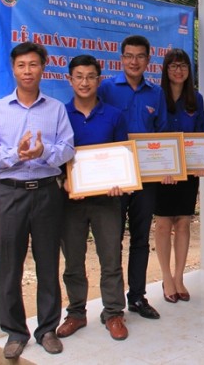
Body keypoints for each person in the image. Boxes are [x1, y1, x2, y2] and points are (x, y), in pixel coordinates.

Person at [0, 42, 75, 359]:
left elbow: (68, 148)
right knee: (10, 266)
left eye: (33, 64)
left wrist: (44, 151)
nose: (27, 71)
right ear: (13, 69)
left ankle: (47, 330)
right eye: (21, 65)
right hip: (11, 194)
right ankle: (15, 332)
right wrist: (14, 154)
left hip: (47, 192)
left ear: (43, 67)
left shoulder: (55, 109)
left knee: (48, 263)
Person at [55, 55, 129, 341]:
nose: (84, 82)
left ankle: (113, 313)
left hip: (106, 201)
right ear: (70, 80)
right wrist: (62, 181)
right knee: (73, 260)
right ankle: (76, 313)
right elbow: (54, 158)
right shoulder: (60, 114)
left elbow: (122, 155)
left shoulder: (114, 115)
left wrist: (120, 182)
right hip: (70, 200)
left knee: (111, 258)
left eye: (90, 77)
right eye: (79, 76)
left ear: (99, 80)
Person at [98, 35, 168, 320]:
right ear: (121, 59)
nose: (134, 61)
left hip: (146, 179)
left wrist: (167, 167)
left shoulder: (156, 93)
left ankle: (137, 297)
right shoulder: (106, 88)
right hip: (115, 179)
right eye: (129, 56)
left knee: (140, 239)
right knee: (112, 240)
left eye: (140, 56)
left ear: (148, 60)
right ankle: (112, 303)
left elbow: (162, 133)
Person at [155, 49, 204, 303]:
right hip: (161, 171)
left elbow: (201, 133)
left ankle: (179, 277)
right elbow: (152, 133)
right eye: (173, 66)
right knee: (164, 224)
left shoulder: (196, 98)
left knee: (183, 223)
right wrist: (161, 166)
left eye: (183, 65)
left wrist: (203, 163)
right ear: (166, 70)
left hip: (188, 170)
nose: (178, 70)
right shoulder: (156, 96)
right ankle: (166, 277)